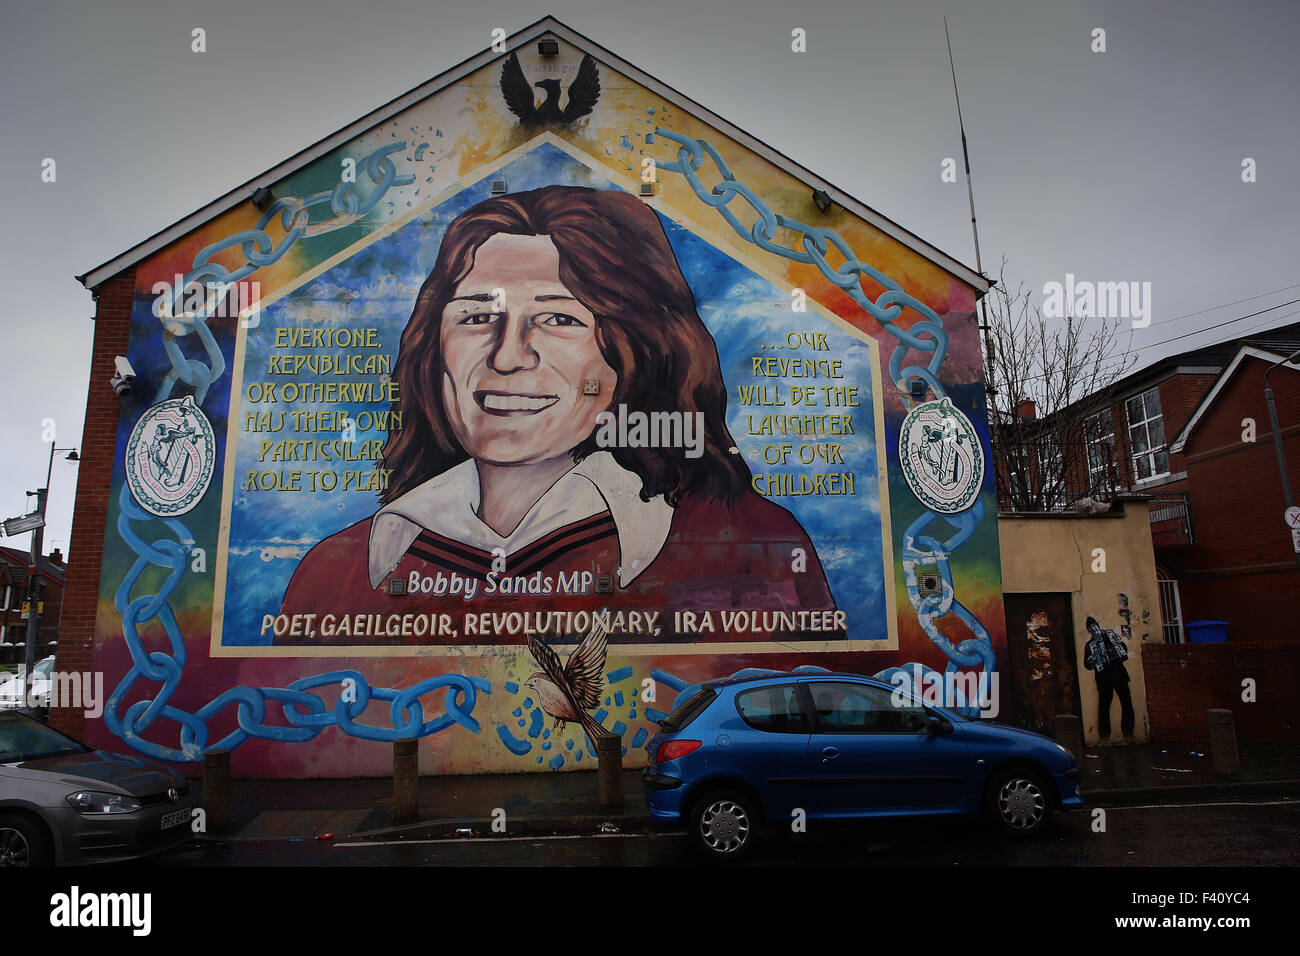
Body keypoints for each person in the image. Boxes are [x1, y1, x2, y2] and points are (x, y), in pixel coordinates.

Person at [278, 185, 838, 644]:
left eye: (559, 320)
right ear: (434, 346)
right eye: (476, 318)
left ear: (635, 350)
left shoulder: (749, 546)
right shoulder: (340, 572)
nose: (507, 356)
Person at [1082, 615, 1135, 740]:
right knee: (1104, 706)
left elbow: (1123, 649)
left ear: (1098, 626)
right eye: (1091, 629)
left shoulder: (1110, 635)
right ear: (1089, 631)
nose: (1094, 630)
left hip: (1119, 674)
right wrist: (1092, 660)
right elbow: (1087, 665)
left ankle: (1128, 732)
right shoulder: (1090, 645)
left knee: (1126, 703)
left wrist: (1118, 647)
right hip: (1103, 678)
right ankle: (1104, 735)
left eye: (1094, 627)